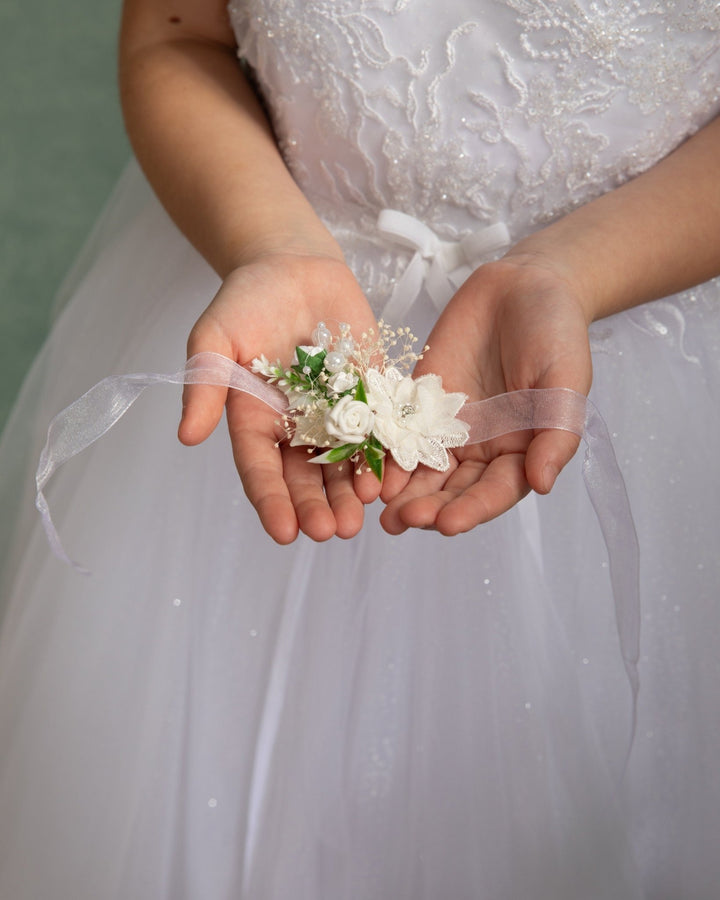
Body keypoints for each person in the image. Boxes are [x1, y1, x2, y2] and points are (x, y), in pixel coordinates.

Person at [0, 1, 719, 897]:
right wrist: (271, 243)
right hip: (276, 307)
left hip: (627, 333)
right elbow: (178, 33)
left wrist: (568, 271)